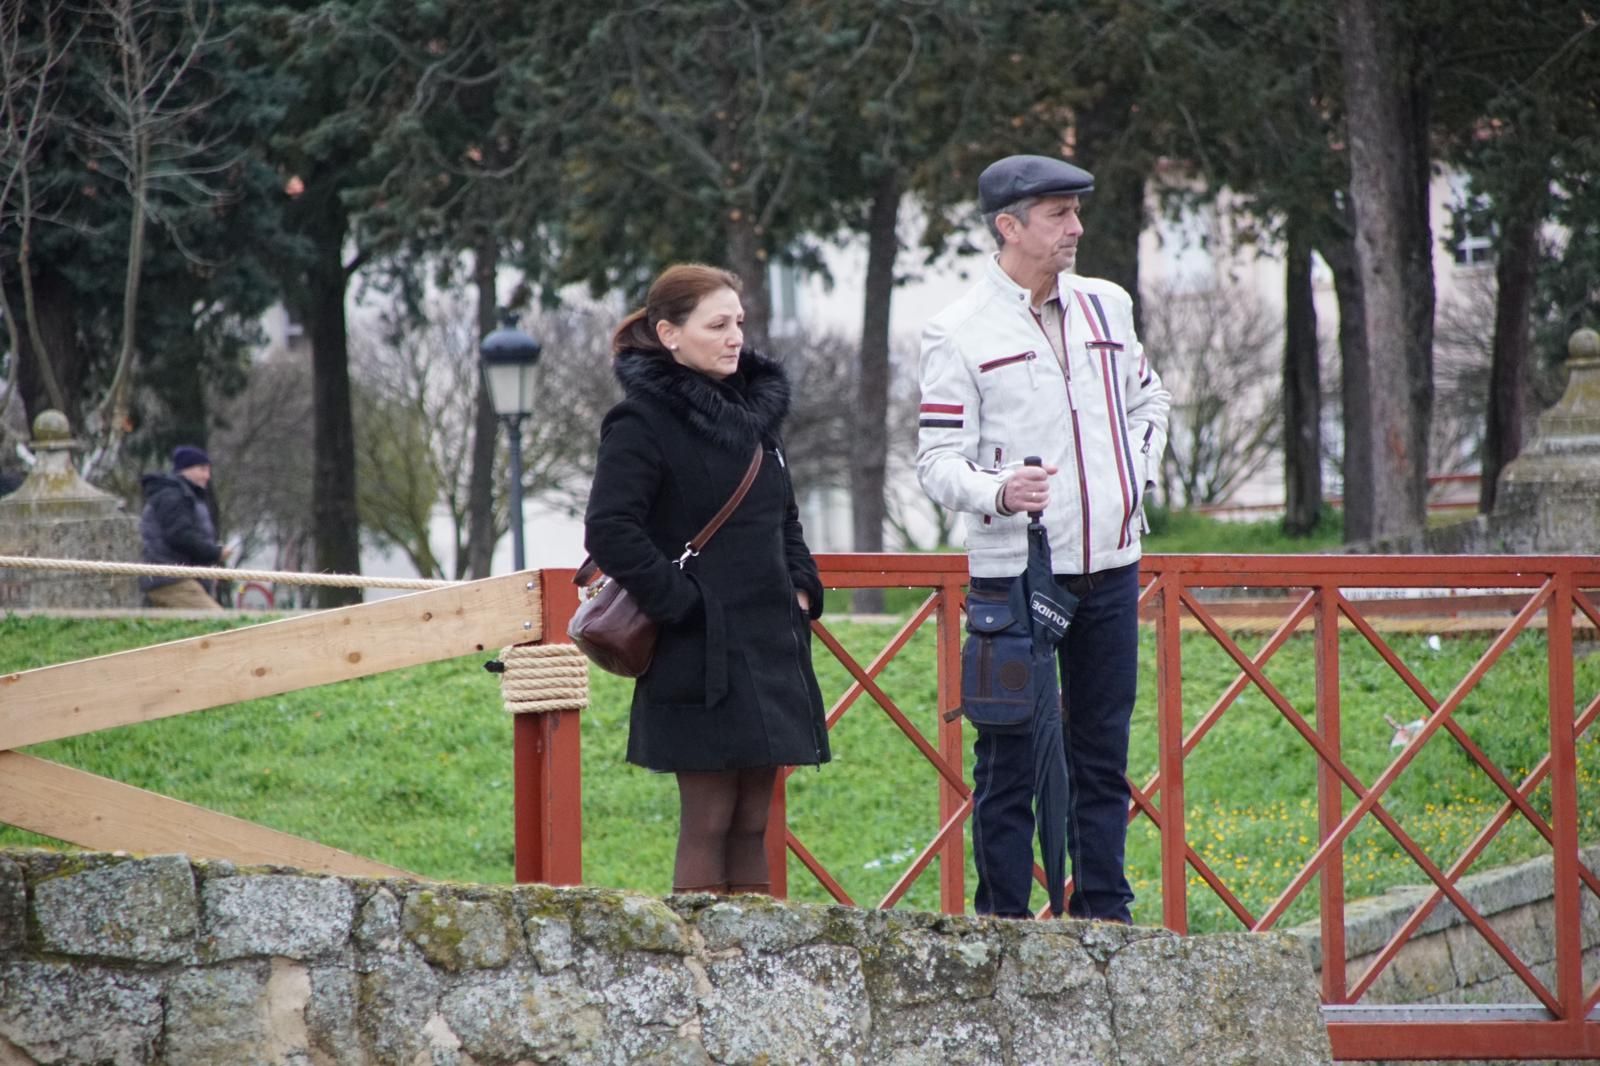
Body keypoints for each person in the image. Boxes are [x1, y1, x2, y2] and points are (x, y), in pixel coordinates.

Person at [916, 154, 1170, 922]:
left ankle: (1105, 918)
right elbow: (934, 463)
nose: (1077, 228)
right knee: (1009, 760)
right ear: (1009, 225)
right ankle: (1002, 924)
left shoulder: (1108, 306)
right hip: (1011, 577)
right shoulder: (955, 330)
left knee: (1104, 755)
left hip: (1113, 568)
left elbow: (1150, 399)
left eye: (1076, 212)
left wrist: (1135, 477)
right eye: (1059, 214)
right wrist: (997, 490)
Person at [583, 263, 830, 897]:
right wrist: (685, 606)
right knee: (710, 817)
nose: (734, 338)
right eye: (716, 325)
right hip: (698, 647)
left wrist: (802, 586)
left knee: (754, 819)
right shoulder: (640, 421)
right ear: (669, 334)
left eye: (739, 323)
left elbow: (784, 515)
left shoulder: (754, 416)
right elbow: (610, 529)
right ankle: (696, 978)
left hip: (770, 640)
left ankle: (756, 977)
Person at [140, 444, 230, 610]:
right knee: (220, 624)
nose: (207, 476)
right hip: (171, 580)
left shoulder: (185, 495)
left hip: (177, 577)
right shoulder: (173, 496)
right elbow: (180, 536)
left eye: (208, 470)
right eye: (202, 469)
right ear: (185, 469)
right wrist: (215, 553)